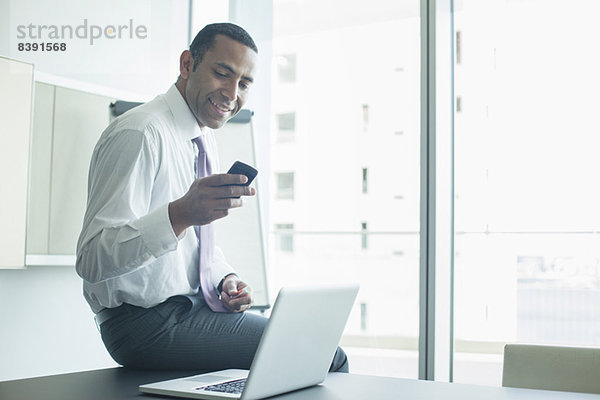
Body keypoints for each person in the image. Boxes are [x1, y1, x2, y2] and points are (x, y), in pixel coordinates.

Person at [76, 22, 348, 372]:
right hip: (143, 325)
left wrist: (224, 279)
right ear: (187, 64)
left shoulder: (202, 138)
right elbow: (91, 258)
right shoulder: (140, 133)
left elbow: (196, 245)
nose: (233, 94)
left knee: (305, 355)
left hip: (191, 309)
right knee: (326, 355)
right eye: (223, 73)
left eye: (245, 83)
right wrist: (180, 214)